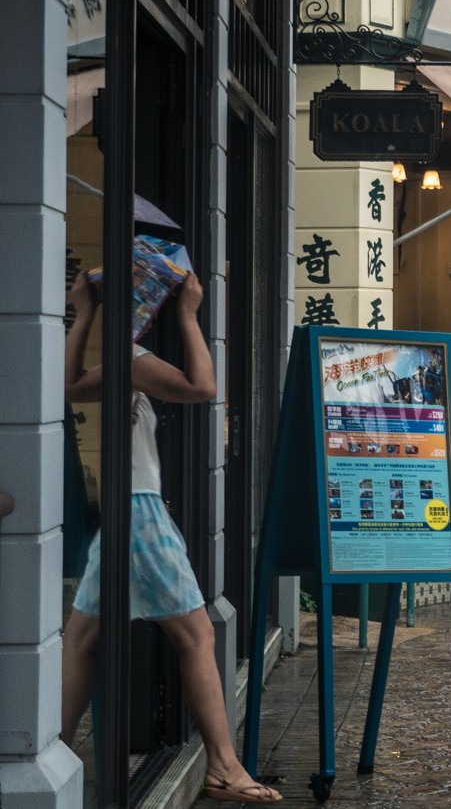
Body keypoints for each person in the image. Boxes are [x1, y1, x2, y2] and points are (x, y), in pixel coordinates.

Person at [61, 271, 282, 802]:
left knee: (83, 641)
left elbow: (66, 386)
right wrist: (189, 313)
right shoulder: (131, 357)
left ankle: (59, 759)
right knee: (196, 635)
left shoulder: (120, 357)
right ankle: (224, 766)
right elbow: (203, 388)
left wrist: (83, 310)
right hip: (140, 513)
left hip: (126, 508)